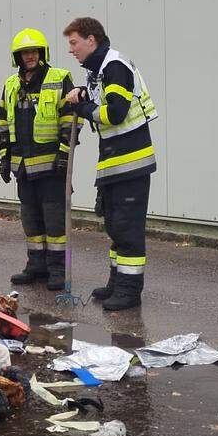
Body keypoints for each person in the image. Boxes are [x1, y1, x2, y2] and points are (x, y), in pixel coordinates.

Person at [62, 17, 158, 311]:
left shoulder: (115, 67)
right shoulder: (100, 71)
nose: (71, 50)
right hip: (115, 163)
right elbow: (99, 99)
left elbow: (115, 113)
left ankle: (129, 291)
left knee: (127, 229)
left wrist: (83, 106)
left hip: (131, 163)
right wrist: (83, 93)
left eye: (74, 42)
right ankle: (117, 281)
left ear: (92, 40)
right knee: (116, 226)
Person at [0, 28, 79, 290]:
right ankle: (36, 266)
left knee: (54, 221)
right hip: (22, 167)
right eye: (24, 53)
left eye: (33, 51)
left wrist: (65, 154)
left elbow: (70, 119)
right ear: (17, 57)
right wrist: (4, 158)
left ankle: (58, 269)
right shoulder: (11, 84)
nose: (29, 56)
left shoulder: (59, 78)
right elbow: (2, 122)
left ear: (41, 53)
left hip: (52, 166)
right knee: (31, 219)